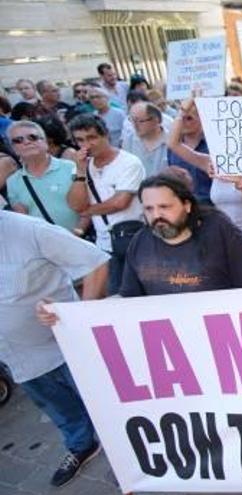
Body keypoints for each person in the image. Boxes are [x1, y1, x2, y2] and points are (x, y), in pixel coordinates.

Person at [3, 211, 108, 487]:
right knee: (60, 411)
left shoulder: (29, 231)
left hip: (65, 348)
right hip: (19, 360)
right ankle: (81, 445)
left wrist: (81, 319)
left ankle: (133, 459)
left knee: (108, 407)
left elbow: (95, 263)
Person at [118, 174, 242, 296]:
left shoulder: (218, 230)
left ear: (187, 205)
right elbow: (130, 298)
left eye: (164, 207)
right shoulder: (140, 242)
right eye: (149, 209)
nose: (157, 215)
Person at [67, 114, 145, 294]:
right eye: (80, 140)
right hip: (104, 243)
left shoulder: (129, 162)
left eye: (92, 137)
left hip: (132, 239)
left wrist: (87, 210)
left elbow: (120, 202)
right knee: (113, 296)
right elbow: (75, 203)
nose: (86, 144)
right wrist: (80, 171)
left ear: (105, 135)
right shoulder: (82, 165)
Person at [5, 121, 81, 231]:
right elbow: (25, 221)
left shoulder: (71, 167)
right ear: (13, 149)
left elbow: (88, 206)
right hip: (44, 244)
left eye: (32, 137)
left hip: (82, 241)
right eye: (18, 140)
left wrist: (78, 234)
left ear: (46, 141)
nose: (26, 142)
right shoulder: (13, 182)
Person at [166, 99, 212, 204]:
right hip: (183, 203)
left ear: (201, 119)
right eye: (181, 119)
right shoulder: (172, 149)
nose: (183, 122)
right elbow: (172, 144)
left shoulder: (213, 146)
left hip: (210, 204)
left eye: (189, 118)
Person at [122, 102, 168, 177]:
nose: (135, 125)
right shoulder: (128, 140)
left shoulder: (172, 141)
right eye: (132, 120)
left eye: (140, 121)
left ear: (156, 120)